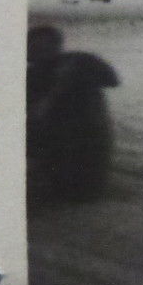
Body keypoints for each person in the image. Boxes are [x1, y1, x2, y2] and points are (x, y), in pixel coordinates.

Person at [26, 24, 119, 206]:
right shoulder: (33, 75)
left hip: (84, 137)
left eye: (44, 45)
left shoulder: (79, 62)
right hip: (62, 142)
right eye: (35, 46)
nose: (39, 50)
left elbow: (111, 79)